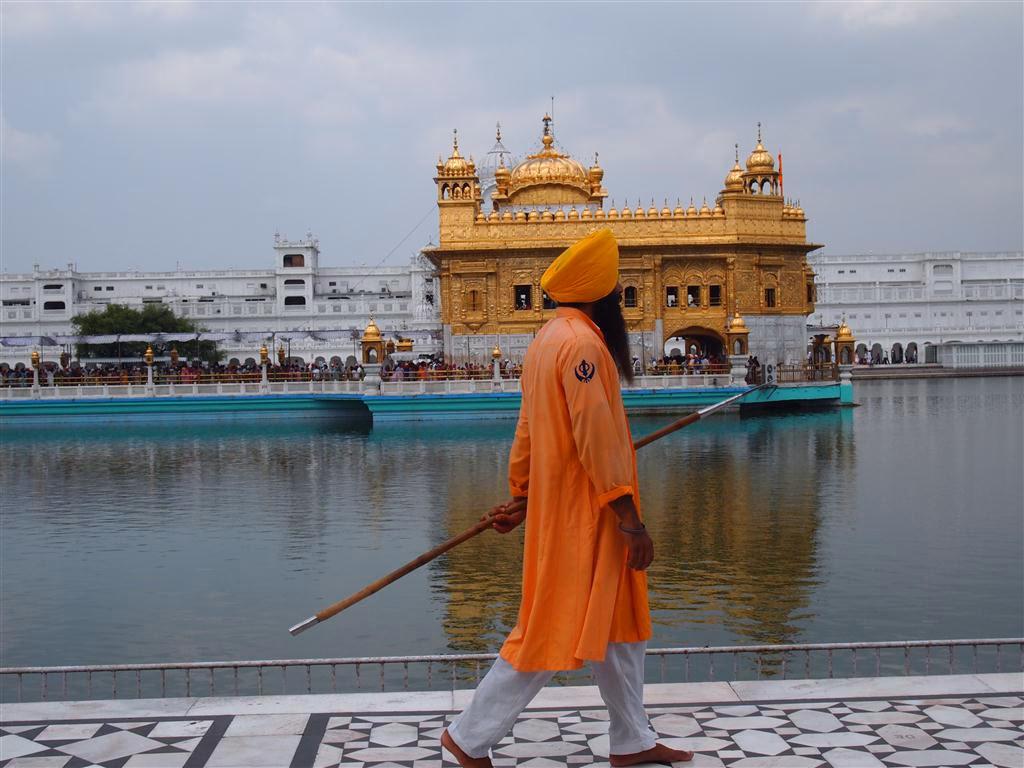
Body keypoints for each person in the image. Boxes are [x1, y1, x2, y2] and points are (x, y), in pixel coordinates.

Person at [442, 229, 693, 768]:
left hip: (572, 509)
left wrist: (524, 495)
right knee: (550, 628)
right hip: (591, 518)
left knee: (620, 627)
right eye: (616, 294)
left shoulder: (546, 339)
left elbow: (529, 432)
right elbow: (596, 437)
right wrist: (629, 519)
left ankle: (633, 740)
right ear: (601, 297)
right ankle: (468, 737)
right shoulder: (582, 345)